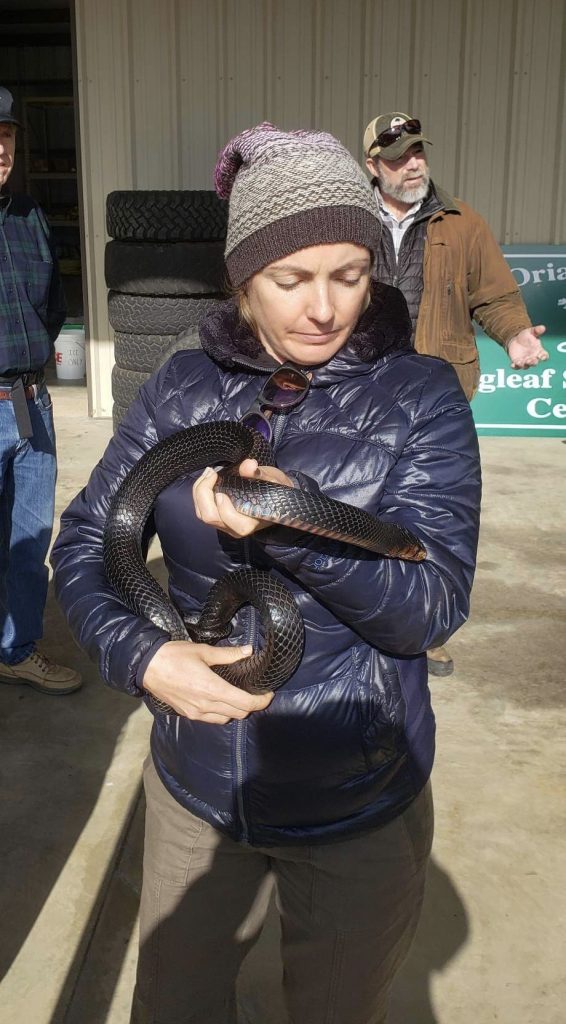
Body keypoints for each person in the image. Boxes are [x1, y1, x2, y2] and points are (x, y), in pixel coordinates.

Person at [51, 123, 481, 1024]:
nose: (324, 308)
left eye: (350, 275)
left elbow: (430, 608)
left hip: (354, 797)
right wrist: (142, 656)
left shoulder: (422, 397)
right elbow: (93, 535)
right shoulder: (179, 388)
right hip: (196, 786)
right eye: (291, 280)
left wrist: (295, 526)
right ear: (244, 279)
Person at [363, 111, 548, 678]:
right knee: (359, 502)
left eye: (418, 152)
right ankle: (361, 615)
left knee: (433, 513)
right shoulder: (348, 220)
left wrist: (515, 333)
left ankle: (428, 627)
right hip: (363, 386)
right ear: (373, 166)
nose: (413, 163)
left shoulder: (463, 222)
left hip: (437, 394)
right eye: (398, 157)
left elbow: (492, 294)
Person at [0, 86, 81, 695]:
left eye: (5, 138)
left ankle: (17, 648)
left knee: (29, 540)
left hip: (31, 405)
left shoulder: (29, 217)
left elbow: (51, 306)